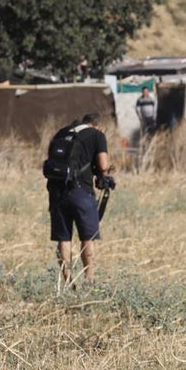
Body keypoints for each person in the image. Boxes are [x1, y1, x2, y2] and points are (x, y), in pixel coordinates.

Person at [46, 112, 114, 288]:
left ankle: (67, 282)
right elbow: (103, 165)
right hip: (81, 191)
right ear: (96, 125)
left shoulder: (61, 133)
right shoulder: (97, 135)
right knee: (87, 236)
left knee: (64, 238)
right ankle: (89, 281)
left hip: (56, 191)